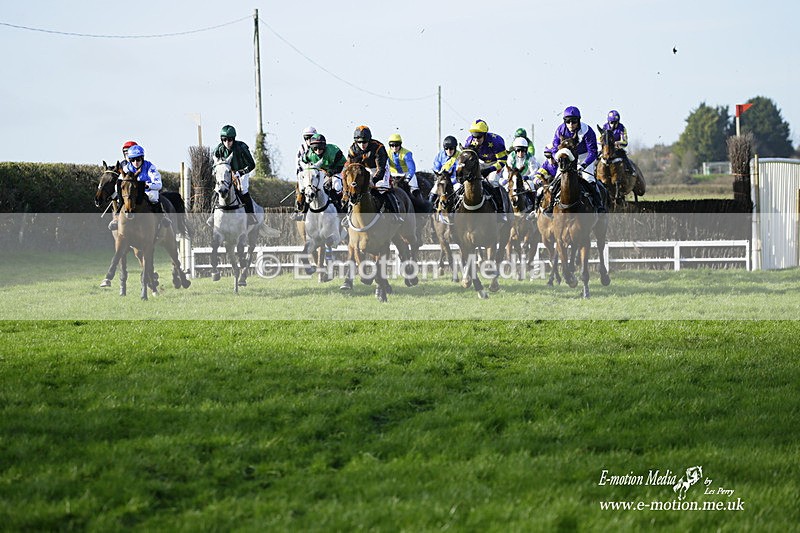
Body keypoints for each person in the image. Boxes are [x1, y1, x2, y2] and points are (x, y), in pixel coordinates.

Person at [545, 106, 605, 214]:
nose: (571, 125)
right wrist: (558, 159)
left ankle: (598, 205)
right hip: (567, 158)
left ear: (579, 120)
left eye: (574, 122)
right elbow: (554, 149)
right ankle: (550, 206)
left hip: (584, 157)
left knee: (590, 180)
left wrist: (584, 165)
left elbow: (593, 152)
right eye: (568, 122)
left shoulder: (587, 130)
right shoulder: (560, 130)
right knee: (555, 182)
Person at [347, 125, 403, 221]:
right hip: (363, 170)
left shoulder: (378, 147)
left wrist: (373, 180)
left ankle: (396, 214)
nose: (362, 145)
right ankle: (347, 214)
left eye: (364, 142)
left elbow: (380, 169)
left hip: (379, 169)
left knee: (382, 189)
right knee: (354, 190)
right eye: (359, 142)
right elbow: (351, 169)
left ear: (369, 140)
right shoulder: (352, 150)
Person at [108, 144, 169, 231]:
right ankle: (116, 218)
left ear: (142, 158)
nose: (136, 162)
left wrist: (148, 185)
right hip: (132, 192)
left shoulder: (150, 167)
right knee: (118, 197)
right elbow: (118, 183)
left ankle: (161, 216)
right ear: (130, 160)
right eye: (133, 160)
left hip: (146, 190)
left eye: (138, 159)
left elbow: (159, 184)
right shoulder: (127, 168)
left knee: (153, 196)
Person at [463, 119, 508, 221]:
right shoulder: (469, 141)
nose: (476, 140)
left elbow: (502, 161)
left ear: (485, 134)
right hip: (480, 163)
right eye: (474, 136)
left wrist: (490, 169)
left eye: (479, 137)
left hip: (495, 163)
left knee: (492, 181)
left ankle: (500, 211)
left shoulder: (496, 142)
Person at [294, 133, 346, 219]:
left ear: (324, 147)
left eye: (320, 148)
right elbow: (302, 163)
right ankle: (302, 209)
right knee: (310, 186)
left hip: (338, 169)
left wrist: (330, 173)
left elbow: (341, 165)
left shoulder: (333, 151)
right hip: (321, 171)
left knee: (337, 185)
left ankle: (342, 208)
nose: (318, 150)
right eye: (315, 148)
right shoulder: (308, 154)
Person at [213, 124, 258, 225]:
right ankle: (212, 215)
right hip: (226, 174)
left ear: (233, 139)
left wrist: (241, 172)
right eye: (224, 140)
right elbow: (215, 165)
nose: (227, 143)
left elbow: (252, 164)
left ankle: (250, 215)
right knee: (218, 189)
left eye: (229, 140)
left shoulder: (241, 147)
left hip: (241, 172)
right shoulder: (218, 149)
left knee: (243, 190)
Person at [500, 137, 539, 213]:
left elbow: (534, 172)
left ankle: (534, 208)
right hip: (512, 179)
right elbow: (507, 170)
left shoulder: (531, 158)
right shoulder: (511, 156)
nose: (521, 153)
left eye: (523, 150)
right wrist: (507, 179)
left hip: (525, 180)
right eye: (518, 150)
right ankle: (502, 209)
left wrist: (528, 177)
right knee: (501, 185)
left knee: (531, 185)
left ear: (526, 150)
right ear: (515, 150)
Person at [602, 109, 636, 176]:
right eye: (612, 122)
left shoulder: (622, 128)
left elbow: (625, 142)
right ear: (608, 121)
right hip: (605, 149)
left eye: (616, 122)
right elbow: (599, 139)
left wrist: (617, 143)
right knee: (596, 159)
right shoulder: (604, 127)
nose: (614, 125)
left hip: (617, 149)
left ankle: (631, 171)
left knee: (625, 157)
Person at [431, 135, 461, 203]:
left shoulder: (460, 156)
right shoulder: (440, 154)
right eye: (446, 148)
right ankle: (430, 209)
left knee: (459, 189)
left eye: (451, 148)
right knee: (434, 190)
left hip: (455, 182)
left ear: (455, 148)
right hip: (443, 180)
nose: (449, 150)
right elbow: (436, 168)